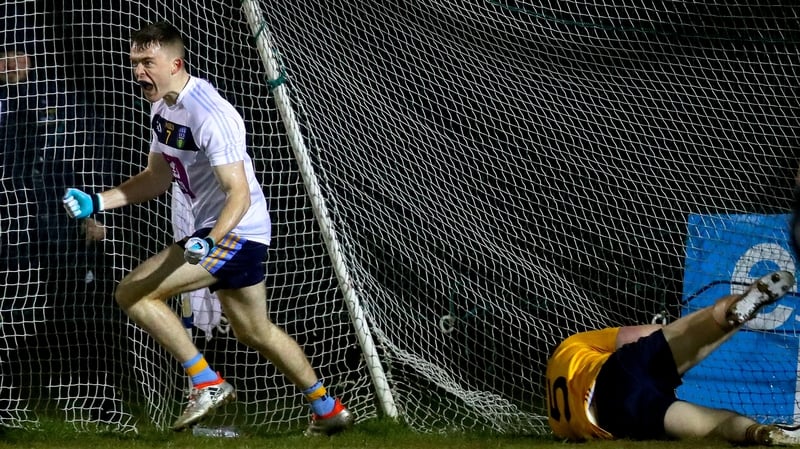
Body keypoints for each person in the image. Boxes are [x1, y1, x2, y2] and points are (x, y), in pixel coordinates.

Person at [62, 21, 353, 435]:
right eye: (134, 63)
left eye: (148, 62)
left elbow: (239, 194)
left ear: (176, 63)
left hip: (233, 232)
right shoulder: (162, 106)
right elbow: (156, 178)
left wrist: (208, 240)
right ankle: (328, 410)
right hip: (226, 235)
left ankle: (207, 381)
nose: (138, 72)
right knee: (256, 331)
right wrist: (98, 201)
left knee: (133, 292)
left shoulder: (210, 113)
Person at [545, 270, 800, 445]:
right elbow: (637, 334)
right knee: (702, 328)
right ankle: (728, 315)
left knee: (713, 425)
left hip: (617, 414)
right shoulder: (569, 347)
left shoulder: (558, 426)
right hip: (617, 370)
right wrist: (673, 337)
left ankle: (758, 432)